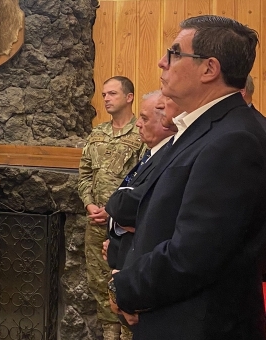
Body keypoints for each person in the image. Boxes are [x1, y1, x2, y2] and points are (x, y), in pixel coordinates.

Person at [110, 15, 266, 339]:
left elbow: (193, 255)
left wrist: (124, 287)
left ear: (209, 69)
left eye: (174, 53)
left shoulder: (234, 138)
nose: (161, 62)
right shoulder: (201, 127)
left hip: (196, 324)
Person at [77, 76, 144, 340]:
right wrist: (89, 204)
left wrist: (114, 211)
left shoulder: (142, 133)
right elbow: (84, 174)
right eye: (104, 94)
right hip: (95, 225)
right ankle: (108, 335)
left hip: (125, 228)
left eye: (112, 93)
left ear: (129, 97)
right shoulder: (97, 134)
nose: (106, 98)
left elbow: (143, 181)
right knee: (98, 283)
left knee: (125, 282)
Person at [104, 91, 178, 271]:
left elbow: (125, 207)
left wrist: (120, 218)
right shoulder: (152, 152)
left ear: (165, 122)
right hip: (126, 258)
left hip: (145, 265)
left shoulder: (169, 156)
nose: (138, 123)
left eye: (144, 119)